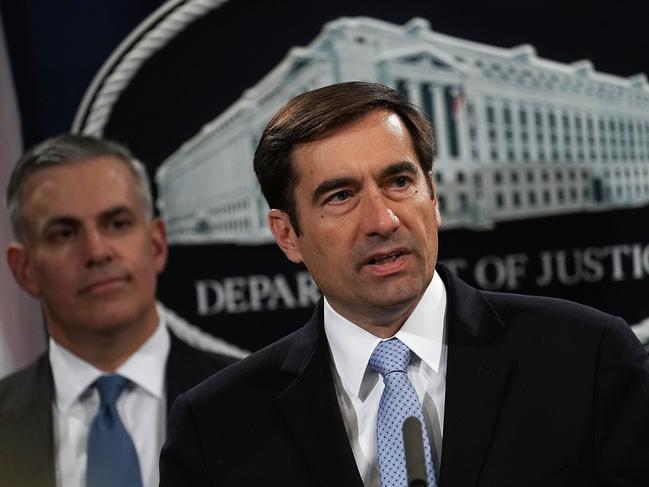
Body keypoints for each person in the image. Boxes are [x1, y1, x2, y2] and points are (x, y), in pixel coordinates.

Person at [159, 82, 649, 486]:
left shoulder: (588, 357)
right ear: (287, 234)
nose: (382, 219)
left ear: (433, 196)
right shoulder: (216, 426)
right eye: (341, 195)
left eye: (398, 182)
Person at [0, 134, 237, 487]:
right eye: (64, 234)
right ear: (25, 270)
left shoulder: (255, 402)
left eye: (117, 224)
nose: (97, 251)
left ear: (156, 244)